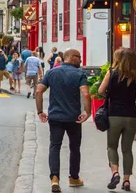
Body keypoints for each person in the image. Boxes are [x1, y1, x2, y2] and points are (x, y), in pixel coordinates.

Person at [35, 49, 90, 192]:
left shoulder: (52, 72)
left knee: (55, 146)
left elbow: (38, 91)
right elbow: (85, 93)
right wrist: (88, 112)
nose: (81, 60)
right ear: (71, 58)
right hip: (74, 118)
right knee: (74, 147)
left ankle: (54, 179)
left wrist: (40, 111)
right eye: (79, 57)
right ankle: (74, 178)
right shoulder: (79, 74)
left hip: (55, 117)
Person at [98, 48, 136, 191]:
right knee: (127, 149)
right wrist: (133, 98)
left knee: (112, 146)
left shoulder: (112, 73)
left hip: (114, 114)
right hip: (130, 115)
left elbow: (101, 91)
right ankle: (126, 181)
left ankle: (115, 173)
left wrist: (112, 97)